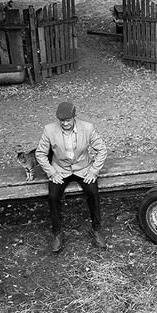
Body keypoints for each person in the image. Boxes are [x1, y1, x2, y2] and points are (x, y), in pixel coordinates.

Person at [35, 101, 108, 252]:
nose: (65, 123)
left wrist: (94, 170)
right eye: (62, 121)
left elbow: (102, 150)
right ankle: (57, 232)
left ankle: (96, 228)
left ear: (75, 117)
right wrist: (51, 172)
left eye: (68, 120)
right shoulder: (49, 130)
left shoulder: (87, 128)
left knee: (93, 193)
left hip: (83, 168)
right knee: (53, 196)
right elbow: (40, 154)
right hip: (60, 169)